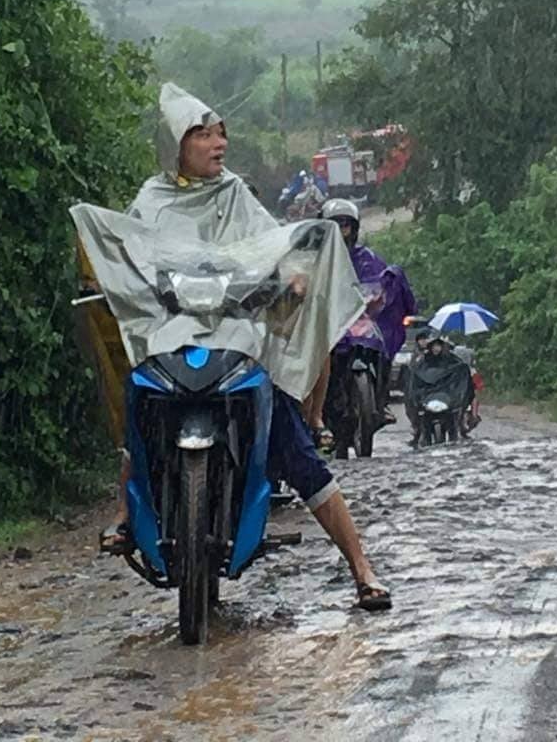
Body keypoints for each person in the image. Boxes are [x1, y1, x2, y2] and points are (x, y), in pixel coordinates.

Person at [82, 83, 391, 611]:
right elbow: (129, 251)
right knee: (139, 399)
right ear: (175, 144)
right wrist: (109, 278)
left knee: (293, 446)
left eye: (221, 134)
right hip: (171, 334)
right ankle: (126, 511)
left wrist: (293, 273)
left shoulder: (236, 195)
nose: (218, 144)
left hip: (239, 334)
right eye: (203, 135)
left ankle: (362, 567)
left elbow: (272, 242)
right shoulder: (151, 200)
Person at [316, 198, 416, 448]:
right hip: (326, 324)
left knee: (379, 348)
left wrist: (387, 285)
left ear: (354, 228)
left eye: (345, 225)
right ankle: (315, 414)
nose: (341, 231)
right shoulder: (315, 258)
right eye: (335, 225)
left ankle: (381, 401)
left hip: (358, 322)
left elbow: (378, 283)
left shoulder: (366, 257)